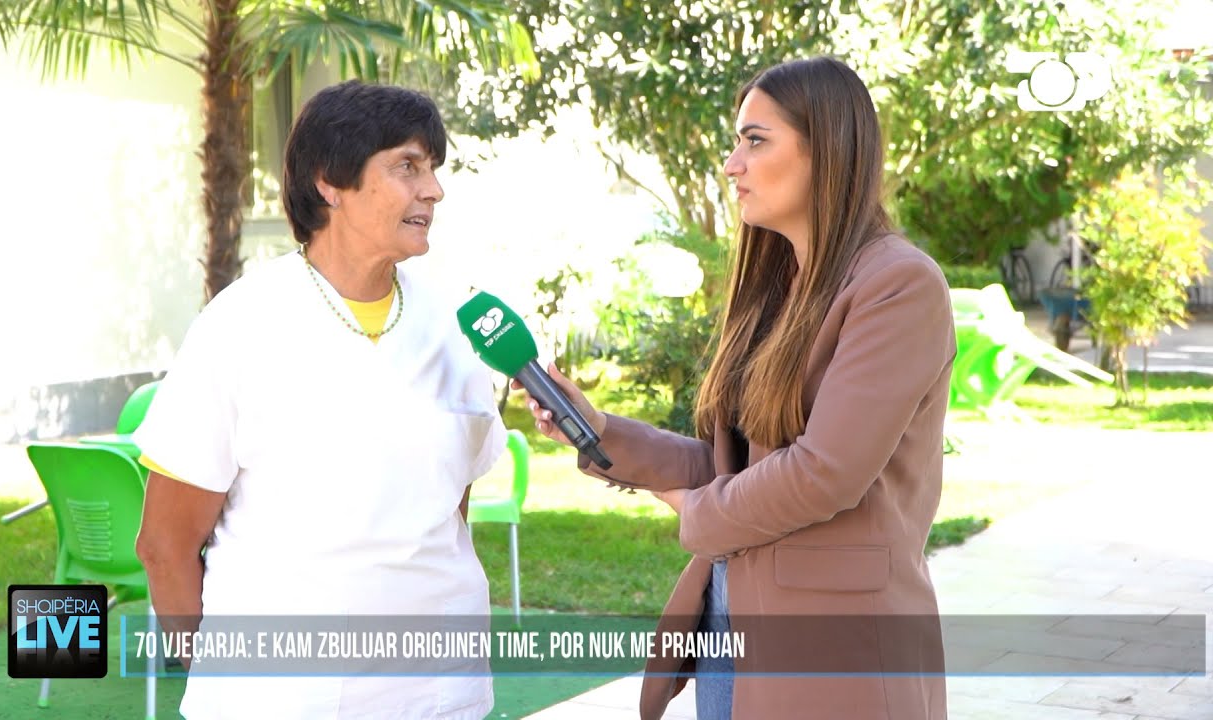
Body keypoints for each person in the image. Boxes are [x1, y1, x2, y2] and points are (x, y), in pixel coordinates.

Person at [517, 57, 953, 720]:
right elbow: (740, 470)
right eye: (736, 142)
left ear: (827, 149)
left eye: (755, 141)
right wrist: (600, 431)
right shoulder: (776, 288)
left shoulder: (899, 285)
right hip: (728, 625)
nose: (731, 165)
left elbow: (823, 473)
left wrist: (696, 513)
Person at [134, 81, 507, 719]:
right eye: (407, 167)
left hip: (440, 693)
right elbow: (165, 544)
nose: (433, 190)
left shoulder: (455, 326)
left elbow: (451, 511)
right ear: (329, 182)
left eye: (432, 168)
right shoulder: (240, 326)